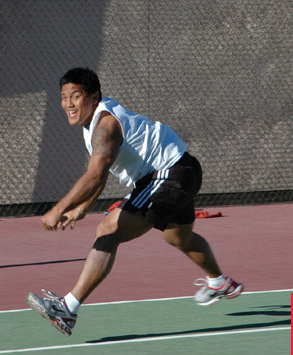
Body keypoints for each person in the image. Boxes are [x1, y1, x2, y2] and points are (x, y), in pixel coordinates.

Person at [26, 67, 243, 336]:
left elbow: (94, 176)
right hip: (181, 169)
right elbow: (103, 172)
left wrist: (57, 210)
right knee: (178, 238)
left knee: (107, 231)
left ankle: (67, 308)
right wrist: (81, 208)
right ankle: (219, 282)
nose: (68, 104)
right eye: (64, 97)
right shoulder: (92, 126)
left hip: (168, 174)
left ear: (94, 97)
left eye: (76, 96)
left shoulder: (105, 127)